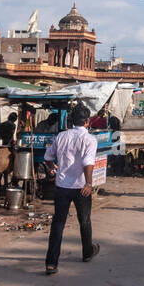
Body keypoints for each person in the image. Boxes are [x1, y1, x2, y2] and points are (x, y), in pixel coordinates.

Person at [44, 106, 100, 276]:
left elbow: (48, 158)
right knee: (84, 220)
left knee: (58, 223)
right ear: (88, 121)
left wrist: (53, 171)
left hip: (62, 186)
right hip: (81, 187)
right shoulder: (90, 139)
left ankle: (51, 263)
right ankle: (87, 252)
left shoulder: (61, 136)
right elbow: (88, 162)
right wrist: (89, 184)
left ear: (70, 120)